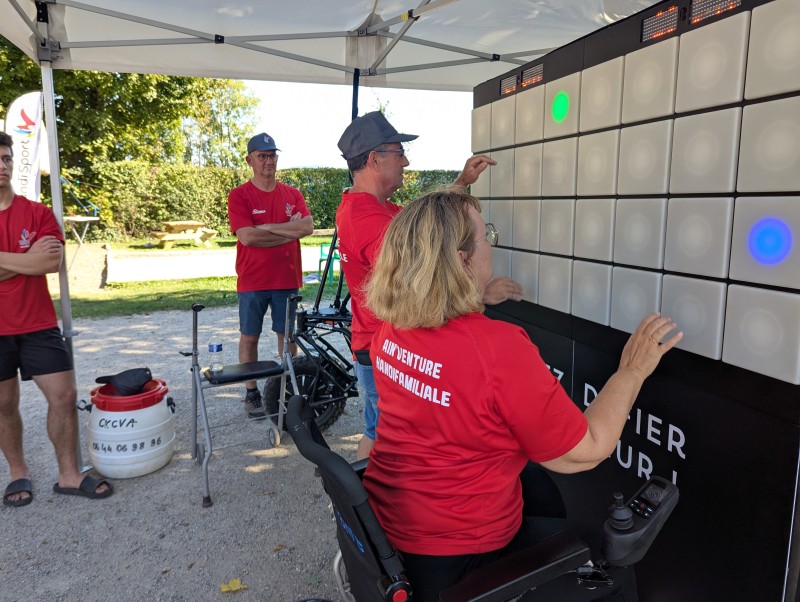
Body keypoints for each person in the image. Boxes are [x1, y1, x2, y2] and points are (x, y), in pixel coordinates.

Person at [362, 189, 683, 600]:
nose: (491, 246)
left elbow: (446, 375)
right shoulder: (496, 347)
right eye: (486, 236)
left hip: (391, 534)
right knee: (608, 577)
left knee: (538, 491)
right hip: (462, 556)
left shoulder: (390, 330)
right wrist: (632, 370)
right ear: (462, 261)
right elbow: (585, 450)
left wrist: (476, 295)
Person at [335, 111, 523, 460]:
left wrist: (461, 182)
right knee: (383, 439)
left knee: (377, 431)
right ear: (375, 159)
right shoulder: (369, 220)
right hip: (382, 346)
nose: (406, 162)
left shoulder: (370, 208)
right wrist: (481, 292)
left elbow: (424, 224)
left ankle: (359, 492)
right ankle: (361, 495)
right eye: (399, 153)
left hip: (376, 342)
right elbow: (420, 283)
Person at [0, 131, 113, 507]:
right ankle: (18, 472)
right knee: (3, 403)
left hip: (38, 323)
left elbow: (51, 261)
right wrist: (25, 259)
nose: (2, 165)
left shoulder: (37, 213)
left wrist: (25, 260)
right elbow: (35, 261)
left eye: (6, 158)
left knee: (64, 396)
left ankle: (69, 474)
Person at [228, 133, 313, 419]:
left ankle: (285, 388)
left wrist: (267, 226)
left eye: (272, 155)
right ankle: (251, 392)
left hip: (287, 278)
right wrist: (287, 230)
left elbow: (307, 228)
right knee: (249, 337)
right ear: (249, 160)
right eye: (262, 156)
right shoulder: (239, 195)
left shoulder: (292, 194)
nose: (269, 161)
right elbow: (248, 237)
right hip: (252, 280)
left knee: (287, 337)